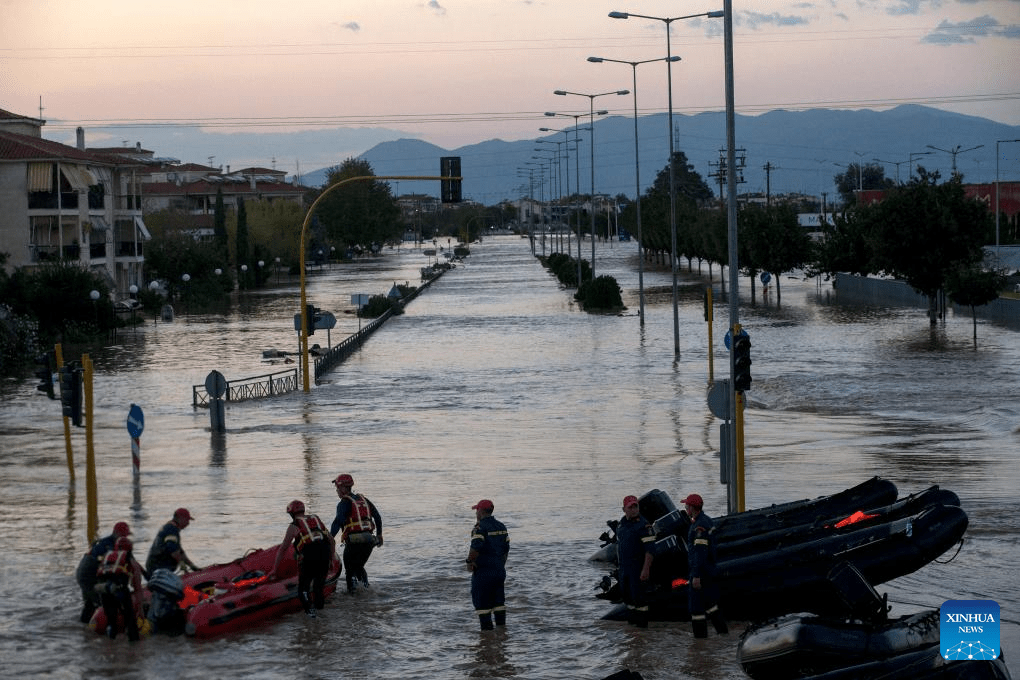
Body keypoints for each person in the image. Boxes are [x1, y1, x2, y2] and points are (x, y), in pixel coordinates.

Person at [267, 500, 336, 617]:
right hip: (324, 555)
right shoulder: (316, 519)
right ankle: (321, 614)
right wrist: (331, 559)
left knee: (303, 589)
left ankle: (310, 614)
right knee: (318, 587)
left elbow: (283, 549)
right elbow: (331, 541)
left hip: (310, 557)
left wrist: (274, 569)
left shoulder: (294, 526)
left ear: (291, 514)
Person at [682, 493, 728, 638]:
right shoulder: (705, 520)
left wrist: (696, 575)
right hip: (709, 570)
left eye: (686, 506)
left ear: (692, 508)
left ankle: (700, 642)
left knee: (696, 609)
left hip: (701, 572)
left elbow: (699, 553)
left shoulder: (699, 526)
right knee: (710, 604)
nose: (685, 508)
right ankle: (723, 633)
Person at [330, 474, 383, 594]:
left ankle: (352, 595)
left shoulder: (343, 503)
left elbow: (337, 522)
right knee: (359, 566)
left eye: (337, 488)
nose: (337, 491)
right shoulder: (364, 500)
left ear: (343, 488)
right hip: (370, 540)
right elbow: (378, 517)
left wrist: (329, 538)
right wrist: (379, 535)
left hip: (354, 540)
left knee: (350, 569)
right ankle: (366, 589)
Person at [466, 499, 510, 631]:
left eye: (476, 510)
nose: (476, 513)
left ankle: (487, 641)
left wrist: (469, 562)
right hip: (499, 571)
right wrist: (500, 565)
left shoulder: (479, 528)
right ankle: (502, 636)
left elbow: (475, 548)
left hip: (483, 572)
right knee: (499, 604)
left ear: (480, 511)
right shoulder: (501, 526)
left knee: (483, 607)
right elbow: (506, 550)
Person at [76, 521, 131, 623]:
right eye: (124, 536)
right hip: (88, 574)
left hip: (83, 572)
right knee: (98, 601)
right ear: (117, 534)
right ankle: (96, 626)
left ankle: (83, 628)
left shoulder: (106, 542)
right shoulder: (110, 546)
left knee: (90, 601)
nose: (126, 539)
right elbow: (108, 567)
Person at [615, 495, 655, 628]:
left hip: (638, 569)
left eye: (635, 506)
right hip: (624, 569)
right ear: (624, 509)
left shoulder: (644, 525)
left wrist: (645, 569)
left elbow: (650, 551)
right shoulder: (622, 523)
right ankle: (633, 633)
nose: (633, 509)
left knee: (640, 602)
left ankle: (642, 632)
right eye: (630, 507)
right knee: (628, 600)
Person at [96, 536, 144, 640]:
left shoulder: (106, 556)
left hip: (104, 591)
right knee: (131, 622)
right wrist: (140, 610)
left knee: (112, 623)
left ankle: (111, 646)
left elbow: (98, 575)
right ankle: (134, 648)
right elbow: (137, 587)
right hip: (120, 591)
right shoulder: (130, 561)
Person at [146, 508, 199, 576]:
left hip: (156, 566)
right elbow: (173, 552)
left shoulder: (171, 527)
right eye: (187, 520)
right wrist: (182, 565)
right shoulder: (171, 530)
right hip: (158, 568)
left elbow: (179, 551)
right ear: (181, 518)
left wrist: (191, 565)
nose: (188, 523)